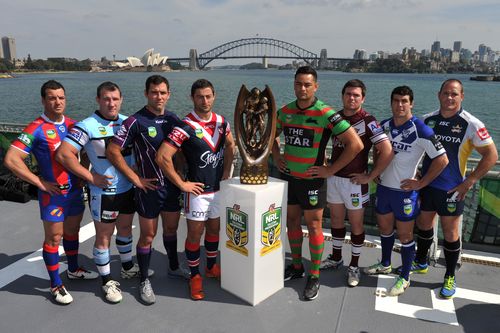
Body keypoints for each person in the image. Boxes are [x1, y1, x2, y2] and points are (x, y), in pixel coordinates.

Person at [272, 66, 363, 301]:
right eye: (299, 84)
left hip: (313, 180)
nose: (302, 88)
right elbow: (270, 136)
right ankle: (296, 266)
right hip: (290, 178)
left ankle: (313, 274)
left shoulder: (326, 113)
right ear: (294, 84)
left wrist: (330, 169)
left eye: (307, 84)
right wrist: (277, 156)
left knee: (313, 227)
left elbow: (356, 144)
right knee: (291, 221)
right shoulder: (285, 111)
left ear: (316, 86)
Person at [56, 81, 152, 303]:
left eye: (115, 99)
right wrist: (91, 177)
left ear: (121, 100)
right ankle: (107, 281)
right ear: (98, 100)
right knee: (104, 236)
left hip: (128, 188)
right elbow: (64, 154)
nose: (111, 103)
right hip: (105, 192)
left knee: (126, 229)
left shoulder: (127, 122)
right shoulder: (87, 125)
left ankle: (127, 266)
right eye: (106, 99)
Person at [4, 80, 98, 305]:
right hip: (53, 195)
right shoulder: (36, 128)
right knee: (54, 238)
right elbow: (11, 159)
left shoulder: (75, 125)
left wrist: (84, 170)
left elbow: (86, 151)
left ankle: (74, 269)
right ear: (43, 100)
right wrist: (39, 182)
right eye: (52, 98)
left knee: (73, 231)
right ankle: (56, 284)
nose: (57, 102)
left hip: (75, 192)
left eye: (61, 97)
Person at [106, 75, 189, 305]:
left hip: (171, 188)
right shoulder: (135, 121)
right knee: (148, 236)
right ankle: (144, 279)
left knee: (171, 229)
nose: (159, 96)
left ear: (169, 94)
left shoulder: (173, 119)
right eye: (154, 92)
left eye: (163, 92)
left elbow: (180, 150)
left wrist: (181, 172)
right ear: (146, 94)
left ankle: (173, 267)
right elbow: (113, 151)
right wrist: (136, 179)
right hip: (149, 189)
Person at [413, 79, 498, 299]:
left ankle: (450, 275)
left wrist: (469, 181)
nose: (449, 98)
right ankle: (421, 261)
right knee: (423, 224)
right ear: (438, 94)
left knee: (450, 233)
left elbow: (491, 156)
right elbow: (416, 149)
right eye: (446, 93)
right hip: (427, 186)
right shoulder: (427, 120)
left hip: (452, 190)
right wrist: (416, 172)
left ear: (462, 96)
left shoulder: (471, 124)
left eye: (454, 94)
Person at [363, 86, 448, 297]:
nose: (400, 105)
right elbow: (377, 148)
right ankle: (385, 263)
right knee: (384, 229)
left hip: (405, 193)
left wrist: (421, 183)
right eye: (396, 101)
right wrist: (376, 170)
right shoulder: (383, 125)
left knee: (405, 235)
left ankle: (405, 276)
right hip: (383, 189)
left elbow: (442, 159)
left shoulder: (421, 129)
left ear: (411, 104)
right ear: (391, 103)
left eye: (404, 101)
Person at [156, 79, 235, 300]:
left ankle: (211, 267)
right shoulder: (185, 126)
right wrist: (181, 184)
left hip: (218, 190)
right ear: (193, 98)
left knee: (214, 231)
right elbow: (162, 157)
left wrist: (227, 170)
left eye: (208, 96)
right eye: (200, 96)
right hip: (197, 192)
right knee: (194, 233)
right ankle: (194, 276)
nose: (205, 100)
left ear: (214, 96)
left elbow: (231, 145)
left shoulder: (222, 122)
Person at [319, 79, 393, 287]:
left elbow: (386, 150)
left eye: (356, 95)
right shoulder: (335, 118)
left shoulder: (368, 120)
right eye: (348, 94)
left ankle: (354, 265)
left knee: (356, 224)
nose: (352, 98)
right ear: (342, 96)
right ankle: (335, 258)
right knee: (335, 220)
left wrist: (370, 177)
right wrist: (324, 163)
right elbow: (321, 142)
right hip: (334, 178)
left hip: (354, 182)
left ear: (363, 98)